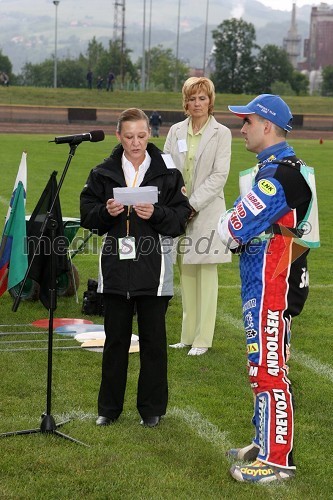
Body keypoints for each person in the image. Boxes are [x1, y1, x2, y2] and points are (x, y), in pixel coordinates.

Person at [217, 94, 320, 483]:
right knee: (261, 368)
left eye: (247, 122)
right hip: (262, 283)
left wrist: (232, 223)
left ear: (267, 125)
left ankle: (277, 462)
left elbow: (230, 230)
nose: (241, 129)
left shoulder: (281, 174)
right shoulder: (273, 170)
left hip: (272, 286)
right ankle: (263, 442)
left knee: (270, 371)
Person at [80, 108, 191, 428]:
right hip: (115, 269)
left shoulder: (168, 171)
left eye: (141, 136)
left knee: (154, 343)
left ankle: (151, 409)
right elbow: (88, 215)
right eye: (129, 136)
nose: (136, 142)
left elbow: (180, 218)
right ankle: (108, 409)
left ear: (149, 134)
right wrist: (106, 210)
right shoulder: (102, 172)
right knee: (114, 341)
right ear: (118, 136)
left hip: (153, 271)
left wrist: (154, 213)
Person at [164, 76, 232, 356]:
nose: (197, 104)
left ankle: (203, 339)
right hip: (179, 211)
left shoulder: (222, 133)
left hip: (206, 212)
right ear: (185, 102)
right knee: (186, 273)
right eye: (192, 99)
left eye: (202, 98)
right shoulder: (175, 130)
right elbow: (167, 165)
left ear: (210, 101)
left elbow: (219, 176)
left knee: (206, 275)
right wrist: (175, 198)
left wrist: (191, 205)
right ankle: (187, 336)